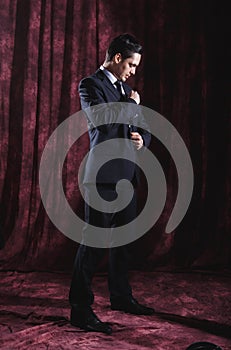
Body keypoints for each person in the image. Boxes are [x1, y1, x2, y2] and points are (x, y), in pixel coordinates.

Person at [69, 34, 155, 335]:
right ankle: (80, 309)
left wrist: (143, 139)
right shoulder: (90, 85)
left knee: (124, 243)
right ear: (117, 58)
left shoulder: (127, 90)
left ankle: (120, 297)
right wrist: (130, 105)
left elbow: (142, 127)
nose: (134, 71)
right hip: (103, 178)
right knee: (93, 243)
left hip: (127, 177)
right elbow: (103, 122)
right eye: (131, 64)